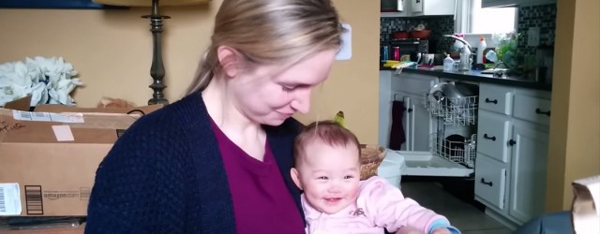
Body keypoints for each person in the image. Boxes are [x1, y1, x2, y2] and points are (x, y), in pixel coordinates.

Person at [85, 0, 344, 233]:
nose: (305, 106)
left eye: (313, 85)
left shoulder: (297, 141)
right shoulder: (148, 153)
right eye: (289, 86)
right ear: (231, 62)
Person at [291, 121, 461, 234]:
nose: (336, 187)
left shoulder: (370, 195)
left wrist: (437, 227)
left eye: (348, 176)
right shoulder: (299, 206)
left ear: (359, 171)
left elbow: (403, 211)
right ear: (298, 179)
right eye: (323, 178)